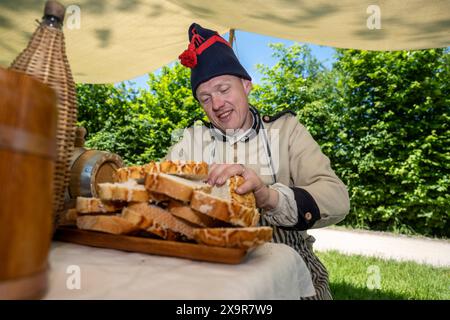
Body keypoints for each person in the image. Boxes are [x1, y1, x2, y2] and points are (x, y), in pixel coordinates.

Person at [165, 23, 350, 300]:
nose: (217, 104)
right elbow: (157, 192)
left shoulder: (286, 130)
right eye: (205, 98)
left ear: (247, 85)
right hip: (213, 275)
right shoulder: (191, 140)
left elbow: (337, 199)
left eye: (224, 89)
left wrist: (268, 197)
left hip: (291, 272)